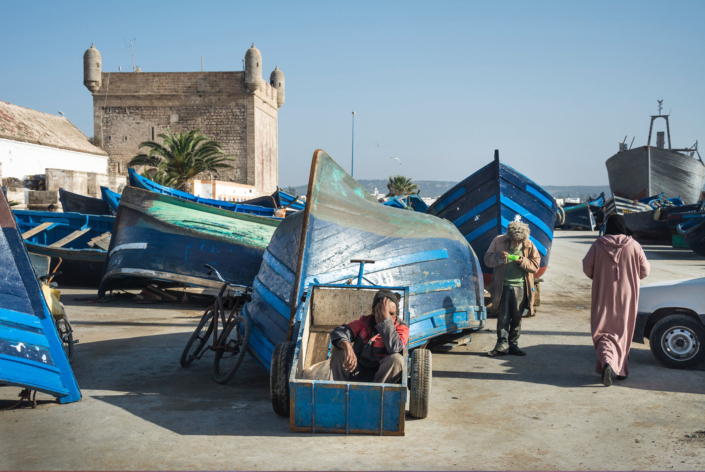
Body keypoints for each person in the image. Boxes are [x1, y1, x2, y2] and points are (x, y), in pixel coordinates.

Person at [582, 214, 650, 386]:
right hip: (627, 295)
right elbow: (645, 271)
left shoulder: (598, 244)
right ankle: (621, 369)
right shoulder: (634, 245)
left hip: (603, 292)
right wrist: (632, 275)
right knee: (623, 330)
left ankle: (607, 362)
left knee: (603, 329)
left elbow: (586, 267)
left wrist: (598, 276)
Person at [484, 220, 541, 357]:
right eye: (514, 240)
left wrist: (523, 261)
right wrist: (498, 257)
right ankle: (501, 345)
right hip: (503, 286)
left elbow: (535, 265)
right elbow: (487, 260)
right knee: (503, 317)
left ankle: (514, 345)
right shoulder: (498, 241)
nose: (516, 243)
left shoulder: (529, 244)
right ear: (508, 237)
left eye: (519, 241)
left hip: (521, 287)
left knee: (517, 317)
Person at [328, 289, 408, 383]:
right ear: (374, 311)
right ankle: (337, 390)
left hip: (381, 379)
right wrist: (347, 346)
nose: (389, 318)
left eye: (391, 314)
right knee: (340, 348)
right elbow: (339, 332)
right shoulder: (364, 322)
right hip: (358, 372)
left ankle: (376, 395)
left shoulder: (401, 327)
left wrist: (385, 321)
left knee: (397, 359)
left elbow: (394, 348)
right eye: (383, 313)